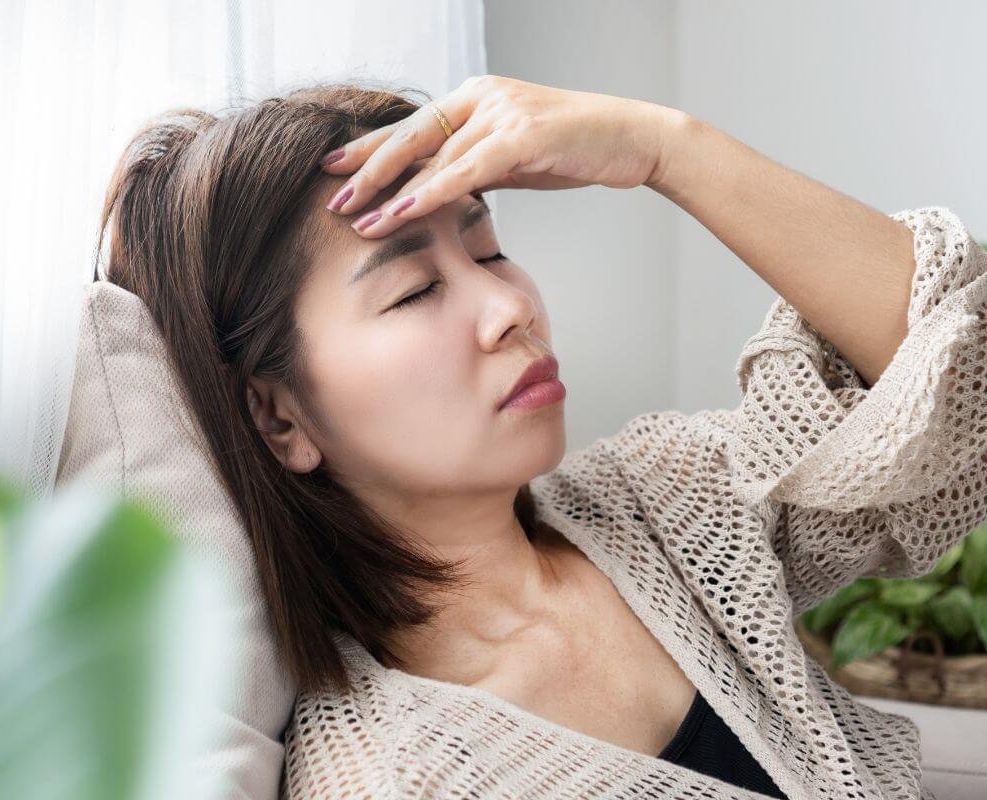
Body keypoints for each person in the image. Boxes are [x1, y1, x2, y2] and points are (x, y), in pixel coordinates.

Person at [94, 75, 987, 799]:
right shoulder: (392, 775)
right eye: (412, 292)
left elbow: (954, 382)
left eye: (487, 252)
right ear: (278, 415)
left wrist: (665, 148)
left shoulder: (659, 499)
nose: (511, 308)